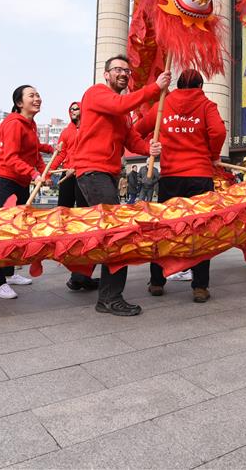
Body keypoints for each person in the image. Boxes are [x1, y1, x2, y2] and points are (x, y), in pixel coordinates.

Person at [75, 54, 169, 316]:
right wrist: (154, 88)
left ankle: (82, 279)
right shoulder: (96, 94)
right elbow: (119, 105)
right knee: (118, 233)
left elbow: (132, 141)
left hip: (107, 174)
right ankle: (110, 297)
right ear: (106, 74)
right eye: (117, 69)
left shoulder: (123, 114)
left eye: (127, 71)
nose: (123, 74)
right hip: (92, 172)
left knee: (101, 233)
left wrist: (149, 148)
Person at [134, 69, 226, 302]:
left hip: (170, 178)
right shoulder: (207, 105)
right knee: (201, 230)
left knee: (165, 229)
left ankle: (157, 281)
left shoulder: (163, 105)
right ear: (200, 87)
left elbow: (136, 130)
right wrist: (213, 154)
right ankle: (200, 286)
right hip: (200, 176)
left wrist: (149, 147)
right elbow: (218, 131)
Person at [0, 85, 51, 299]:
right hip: (6, 183)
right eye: (32, 96)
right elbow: (7, 157)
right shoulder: (13, 125)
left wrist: (40, 174)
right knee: (2, 231)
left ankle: (8, 273)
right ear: (19, 103)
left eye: (38, 95)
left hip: (20, 182)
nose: (37, 98)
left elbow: (34, 154)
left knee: (17, 230)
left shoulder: (30, 125)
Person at [50, 101, 100, 292]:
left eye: (77, 108)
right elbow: (60, 153)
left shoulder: (89, 129)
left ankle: (80, 269)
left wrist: (78, 165)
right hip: (67, 174)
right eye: (71, 109)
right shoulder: (66, 131)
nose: (73, 111)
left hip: (82, 173)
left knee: (83, 216)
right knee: (63, 211)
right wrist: (48, 172)